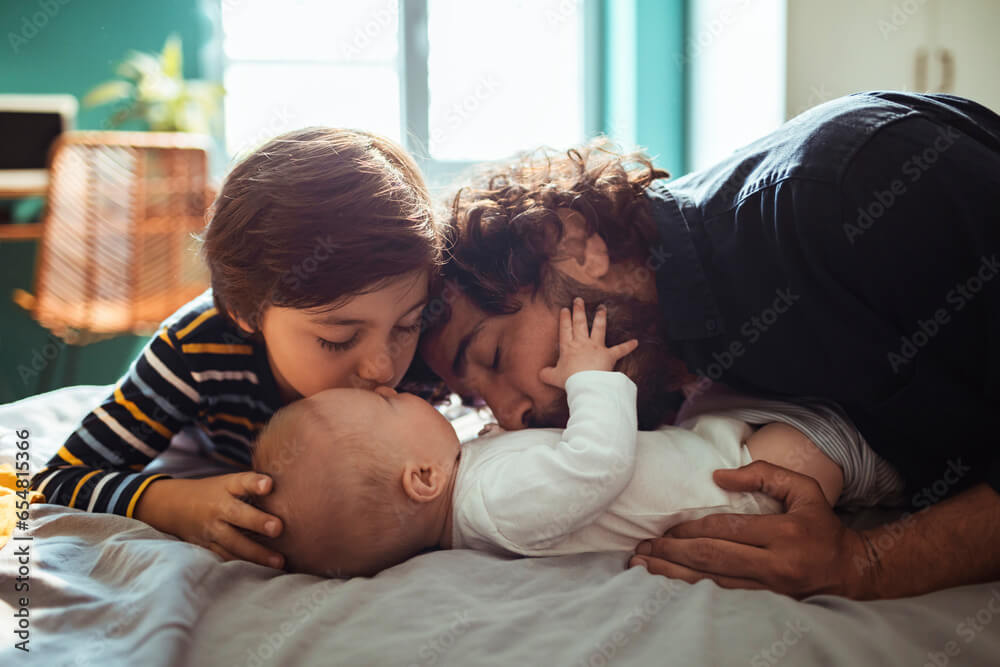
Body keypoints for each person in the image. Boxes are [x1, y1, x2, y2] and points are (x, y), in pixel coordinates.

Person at [415, 91, 1000, 599]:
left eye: (493, 358)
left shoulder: (852, 193)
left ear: (572, 244)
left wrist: (865, 566)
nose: (512, 416)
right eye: (479, 402)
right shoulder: (671, 351)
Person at [29, 127, 443, 569]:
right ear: (247, 313)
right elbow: (57, 480)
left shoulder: (426, 352)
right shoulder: (195, 350)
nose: (383, 366)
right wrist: (171, 502)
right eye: (336, 339)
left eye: (406, 326)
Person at [252, 298, 893, 579]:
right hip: (738, 491)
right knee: (827, 440)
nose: (395, 389)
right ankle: (898, 461)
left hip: (708, 449)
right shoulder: (494, 502)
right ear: (422, 480)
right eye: (390, 408)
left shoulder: (472, 486)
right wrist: (591, 380)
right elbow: (595, 467)